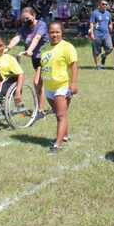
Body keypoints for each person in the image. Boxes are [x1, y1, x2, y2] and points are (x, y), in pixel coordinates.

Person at [40, 21, 78, 153]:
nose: (54, 35)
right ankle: (65, 136)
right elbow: (43, 66)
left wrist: (73, 84)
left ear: (62, 32)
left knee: (61, 115)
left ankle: (57, 144)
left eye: (57, 32)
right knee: (59, 114)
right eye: (52, 32)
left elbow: (73, 66)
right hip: (49, 87)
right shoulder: (44, 48)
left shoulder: (67, 47)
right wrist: (39, 81)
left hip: (62, 86)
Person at [6, 7, 48, 117]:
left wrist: (29, 50)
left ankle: (41, 110)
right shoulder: (25, 27)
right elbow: (17, 38)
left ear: (34, 15)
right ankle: (41, 108)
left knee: (37, 82)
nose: (25, 21)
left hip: (45, 57)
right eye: (23, 19)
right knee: (39, 83)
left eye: (27, 18)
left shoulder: (41, 25)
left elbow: (37, 38)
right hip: (35, 58)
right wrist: (7, 49)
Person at [89, 0, 113, 69]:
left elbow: (110, 22)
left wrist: (111, 27)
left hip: (106, 34)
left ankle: (104, 55)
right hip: (97, 34)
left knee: (110, 48)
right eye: (103, 4)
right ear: (99, 5)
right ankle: (98, 65)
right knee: (96, 51)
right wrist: (92, 33)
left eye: (106, 4)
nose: (105, 5)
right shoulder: (95, 13)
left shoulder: (108, 13)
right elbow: (91, 23)